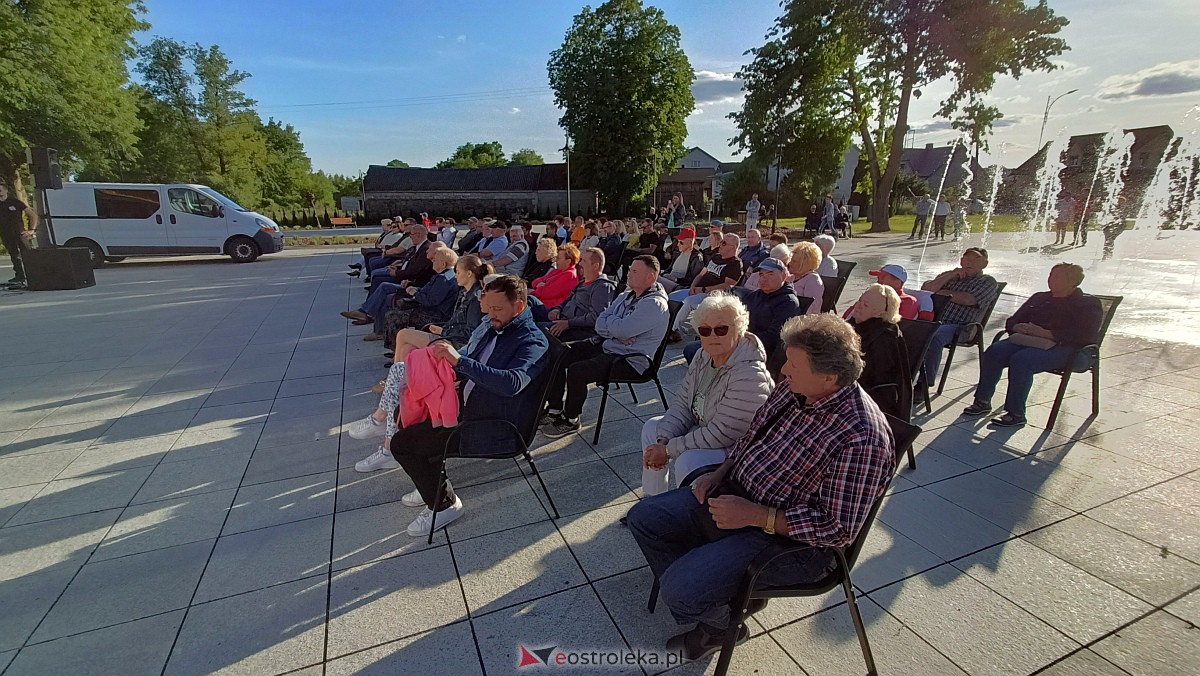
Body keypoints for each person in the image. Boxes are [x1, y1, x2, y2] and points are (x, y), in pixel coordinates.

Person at [627, 313, 895, 661]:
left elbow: (835, 529)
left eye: (794, 365)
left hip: (791, 541)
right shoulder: (797, 388)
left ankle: (719, 624)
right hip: (738, 494)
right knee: (644, 517)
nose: (783, 370)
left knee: (679, 590)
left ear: (828, 377)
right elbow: (752, 437)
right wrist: (719, 472)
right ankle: (724, 606)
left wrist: (755, 516)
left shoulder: (862, 437)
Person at [387, 275, 550, 536]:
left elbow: (512, 383)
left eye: (498, 309)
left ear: (519, 307)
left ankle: (445, 504)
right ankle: (430, 481)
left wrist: (460, 364)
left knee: (402, 444)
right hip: (469, 409)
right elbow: (475, 363)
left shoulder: (532, 341)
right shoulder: (497, 327)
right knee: (404, 415)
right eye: (489, 308)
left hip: (493, 426)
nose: (491, 314)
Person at [642, 293, 773, 495]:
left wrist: (668, 450)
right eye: (705, 330)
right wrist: (662, 443)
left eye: (721, 329)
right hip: (705, 427)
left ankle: (685, 513)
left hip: (739, 448)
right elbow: (683, 404)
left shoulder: (749, 373)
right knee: (653, 429)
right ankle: (653, 499)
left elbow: (722, 433)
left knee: (688, 459)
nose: (712, 336)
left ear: (739, 329)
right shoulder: (704, 356)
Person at [540, 255, 670, 438]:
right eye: (630, 269)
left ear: (650, 277)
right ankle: (554, 409)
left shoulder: (654, 304)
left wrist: (617, 328)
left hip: (631, 361)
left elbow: (620, 329)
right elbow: (600, 322)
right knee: (560, 355)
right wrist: (617, 330)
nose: (628, 274)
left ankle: (570, 419)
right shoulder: (626, 294)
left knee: (577, 371)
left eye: (634, 271)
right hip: (609, 346)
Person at [962, 262, 1102, 427]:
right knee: (995, 351)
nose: (1051, 279)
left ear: (1073, 281)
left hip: (1072, 349)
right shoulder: (1040, 297)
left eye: (1057, 276)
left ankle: (1016, 414)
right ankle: (982, 401)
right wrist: (1017, 326)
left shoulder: (1087, 304)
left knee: (1022, 360)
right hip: (1031, 341)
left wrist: (1047, 333)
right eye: (1050, 275)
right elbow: (1013, 319)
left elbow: (1085, 334)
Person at [684, 257, 799, 364]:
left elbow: (774, 337)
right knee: (693, 349)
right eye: (761, 275)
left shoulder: (787, 302)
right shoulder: (756, 295)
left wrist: (738, 339)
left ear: (784, 276)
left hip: (757, 348)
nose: (764, 279)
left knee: (695, 351)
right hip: (737, 341)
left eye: (770, 274)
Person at [921, 247, 1001, 386]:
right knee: (902, 327)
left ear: (985, 264)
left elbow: (968, 300)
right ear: (961, 260)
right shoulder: (950, 275)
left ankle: (923, 385)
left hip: (961, 326)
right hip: (933, 320)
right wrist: (951, 275)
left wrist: (942, 292)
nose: (970, 262)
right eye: (967, 258)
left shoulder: (987, 281)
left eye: (976, 260)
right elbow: (926, 289)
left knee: (934, 336)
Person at [384, 254, 489, 356]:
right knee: (406, 349)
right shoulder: (463, 292)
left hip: (457, 343)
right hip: (449, 334)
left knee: (404, 334)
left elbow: (471, 332)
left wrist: (443, 331)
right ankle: (400, 372)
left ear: (469, 274)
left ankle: (396, 371)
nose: (455, 276)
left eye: (458, 273)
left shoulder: (476, 299)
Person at [847, 284, 910, 419]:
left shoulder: (884, 337)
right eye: (859, 301)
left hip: (869, 402)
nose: (857, 306)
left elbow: (877, 378)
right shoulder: (855, 324)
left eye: (865, 305)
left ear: (881, 312)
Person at [668, 233, 743, 341]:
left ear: (733, 247)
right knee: (672, 296)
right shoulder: (715, 257)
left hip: (712, 295)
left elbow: (727, 285)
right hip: (697, 290)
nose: (720, 245)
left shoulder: (735, 264)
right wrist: (693, 287)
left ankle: (674, 331)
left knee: (689, 302)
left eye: (724, 243)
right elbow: (701, 274)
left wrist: (703, 290)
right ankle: (667, 325)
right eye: (721, 242)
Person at [541, 247, 617, 341]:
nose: (580, 264)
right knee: (531, 302)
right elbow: (568, 299)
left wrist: (569, 323)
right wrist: (557, 308)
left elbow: (597, 317)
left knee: (531, 329)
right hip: (561, 317)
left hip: (574, 328)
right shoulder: (582, 282)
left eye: (584, 261)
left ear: (595, 266)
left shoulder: (602, 287)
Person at [368, 223, 434, 293]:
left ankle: (371, 303)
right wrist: (400, 263)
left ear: (419, 235)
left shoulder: (425, 249)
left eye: (411, 234)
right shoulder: (417, 246)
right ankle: (371, 302)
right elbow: (409, 260)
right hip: (402, 271)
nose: (410, 237)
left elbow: (415, 270)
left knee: (379, 281)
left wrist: (396, 273)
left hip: (407, 279)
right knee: (376, 276)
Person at [842, 264, 920, 320]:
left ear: (897, 283)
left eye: (882, 277)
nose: (878, 280)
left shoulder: (908, 301)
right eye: (878, 277)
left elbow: (900, 326)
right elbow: (847, 316)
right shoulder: (873, 295)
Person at [0, 184, 37, 284]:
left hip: (20, 233)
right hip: (6, 234)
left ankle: (34, 275)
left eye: (0, 190)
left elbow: (33, 215)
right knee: (14, 255)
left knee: (27, 254)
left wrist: (32, 229)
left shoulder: (15, 202)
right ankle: (19, 276)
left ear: (6, 191)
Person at [529, 243, 580, 308]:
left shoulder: (570, 275)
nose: (556, 260)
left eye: (558, 258)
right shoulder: (558, 270)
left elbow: (546, 293)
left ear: (568, 261)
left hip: (550, 309)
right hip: (540, 301)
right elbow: (535, 282)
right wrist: (541, 286)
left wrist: (538, 288)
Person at [657, 226, 703, 292]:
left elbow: (695, 279)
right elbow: (669, 269)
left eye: (681, 242)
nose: (678, 245)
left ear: (690, 243)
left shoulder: (696, 257)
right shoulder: (677, 254)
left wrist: (676, 279)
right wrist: (664, 274)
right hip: (669, 281)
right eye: (678, 242)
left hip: (680, 286)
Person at [788, 241, 824, 314]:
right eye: (791, 259)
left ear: (805, 264)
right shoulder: (791, 277)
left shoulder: (813, 280)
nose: (790, 263)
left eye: (794, 261)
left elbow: (812, 309)